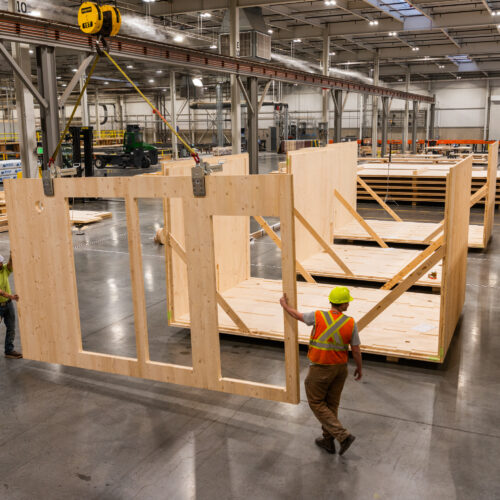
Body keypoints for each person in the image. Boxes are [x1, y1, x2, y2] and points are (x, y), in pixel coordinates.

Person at [280, 286, 362, 456]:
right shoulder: (350, 322)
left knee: (316, 403)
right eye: (347, 301)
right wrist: (359, 367)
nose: (349, 304)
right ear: (344, 304)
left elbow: (298, 315)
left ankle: (342, 435)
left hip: (321, 368)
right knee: (331, 405)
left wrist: (285, 306)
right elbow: (355, 350)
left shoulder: (318, 316)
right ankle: (328, 441)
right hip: (340, 369)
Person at [0, 253, 22, 359]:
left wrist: (12, 253)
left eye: (1, 261)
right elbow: (1, 292)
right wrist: (12, 296)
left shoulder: (4, 269)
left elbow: (10, 264)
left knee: (11, 328)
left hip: (8, 304)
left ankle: (9, 350)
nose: (1, 263)